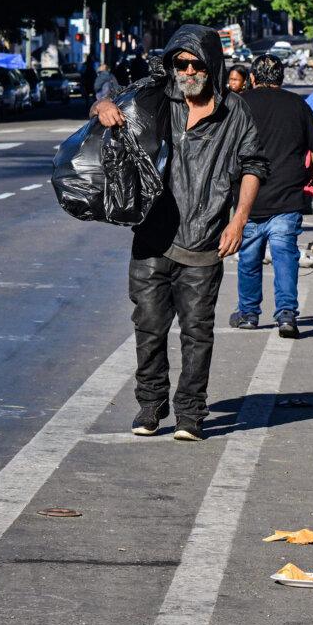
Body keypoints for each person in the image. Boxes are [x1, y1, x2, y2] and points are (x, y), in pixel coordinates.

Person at [91, 24, 269, 442]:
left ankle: (191, 413)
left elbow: (253, 166)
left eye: (195, 64)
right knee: (149, 327)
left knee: (197, 332)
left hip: (205, 238)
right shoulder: (156, 96)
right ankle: (151, 406)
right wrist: (102, 106)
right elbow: (106, 104)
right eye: (180, 63)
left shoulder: (235, 111)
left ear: (212, 65)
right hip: (153, 237)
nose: (187, 71)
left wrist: (238, 219)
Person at [229, 54, 313, 338]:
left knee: (249, 259)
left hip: (249, 199)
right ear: (281, 79)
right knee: (285, 258)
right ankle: (286, 315)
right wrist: (312, 171)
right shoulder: (298, 104)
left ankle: (248, 314)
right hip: (287, 197)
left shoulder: (240, 104)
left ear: (253, 79)